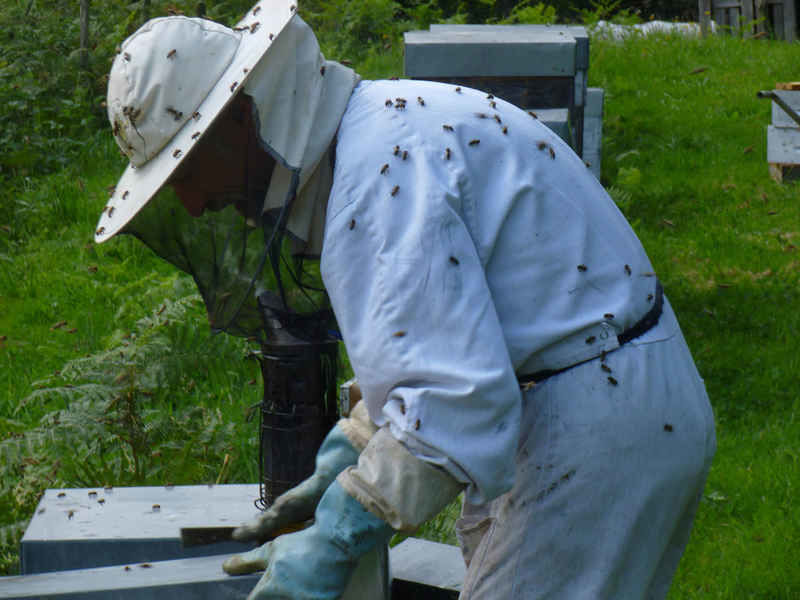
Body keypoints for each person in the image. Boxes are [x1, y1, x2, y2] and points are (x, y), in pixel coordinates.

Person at [96, 2, 716, 598]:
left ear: (241, 119)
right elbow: (441, 343)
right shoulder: (377, 135)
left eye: (186, 172)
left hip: (593, 424)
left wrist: (332, 539)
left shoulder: (377, 179)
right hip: (583, 393)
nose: (195, 204)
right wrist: (340, 463)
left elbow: (453, 402)